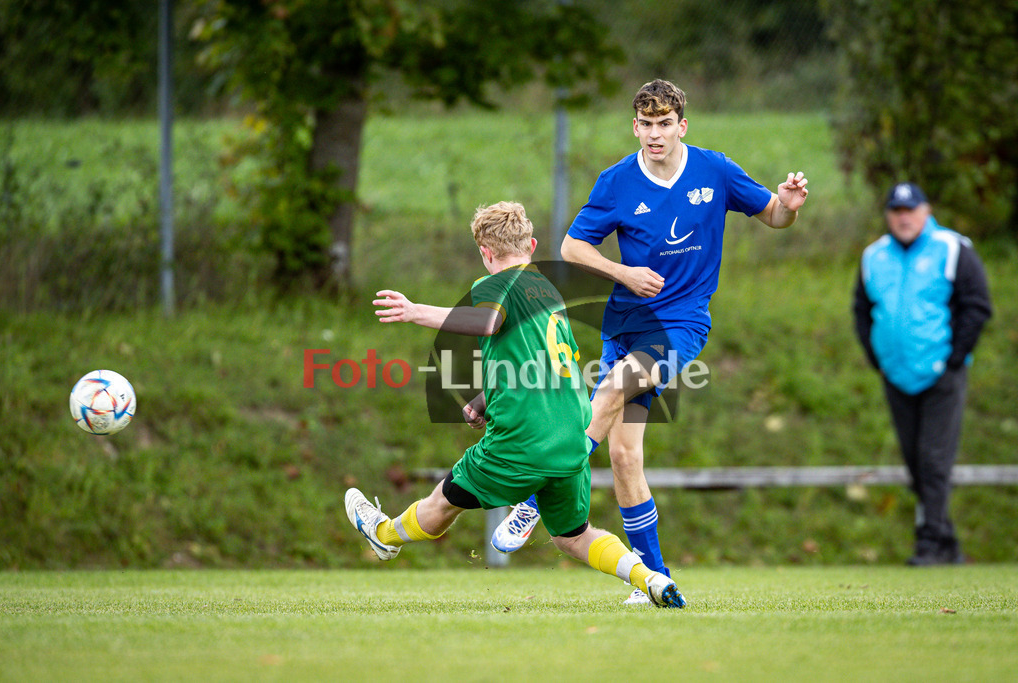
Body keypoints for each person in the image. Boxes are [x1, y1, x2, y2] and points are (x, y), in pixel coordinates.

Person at [492, 79, 809, 604]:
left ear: (682, 125)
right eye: (647, 124)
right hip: (626, 325)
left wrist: (790, 205)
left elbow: (773, 216)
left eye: (666, 124)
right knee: (623, 455)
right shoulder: (617, 182)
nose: (656, 134)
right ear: (634, 126)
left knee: (613, 387)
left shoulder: (716, 170)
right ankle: (653, 579)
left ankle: (530, 499)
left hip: (680, 325)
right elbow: (572, 247)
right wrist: (623, 272)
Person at [346, 201, 687, 608]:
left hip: (521, 442)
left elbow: (488, 322)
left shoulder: (495, 284)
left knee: (443, 503)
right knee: (574, 536)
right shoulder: (547, 291)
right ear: (532, 244)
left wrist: (415, 311)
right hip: (572, 438)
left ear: (485, 253)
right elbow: (544, 361)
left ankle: (383, 538)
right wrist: (487, 397)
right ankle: (649, 578)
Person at [853, 182, 992, 566]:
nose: (903, 217)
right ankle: (947, 544)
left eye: (910, 210)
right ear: (888, 215)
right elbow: (861, 310)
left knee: (934, 461)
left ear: (926, 211)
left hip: (941, 375)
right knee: (916, 462)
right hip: (896, 374)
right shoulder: (874, 256)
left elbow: (977, 306)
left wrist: (953, 359)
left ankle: (929, 544)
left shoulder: (952, 249)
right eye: (896, 211)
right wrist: (877, 358)